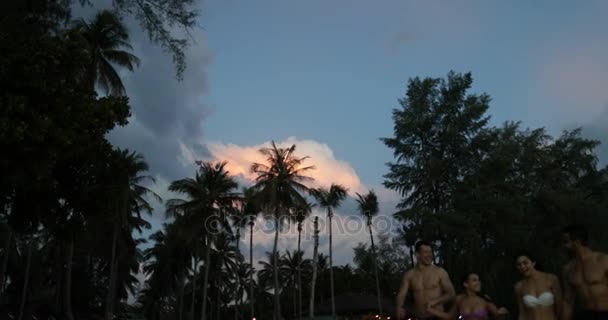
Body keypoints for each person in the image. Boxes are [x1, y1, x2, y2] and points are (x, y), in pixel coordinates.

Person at [396, 240, 456, 319]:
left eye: (430, 252)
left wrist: (434, 301)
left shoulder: (440, 272)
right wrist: (399, 308)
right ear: (417, 254)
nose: (429, 255)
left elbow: (451, 294)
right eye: (425, 252)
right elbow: (402, 294)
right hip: (420, 317)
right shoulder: (409, 275)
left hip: (437, 317)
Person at [561, 224, 608, 320]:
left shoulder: (603, 260)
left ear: (577, 242)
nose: (563, 245)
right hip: (587, 315)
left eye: (566, 242)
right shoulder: (568, 269)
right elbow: (568, 301)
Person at [426, 272, 508, 319]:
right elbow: (450, 316)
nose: (478, 282)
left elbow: (497, 315)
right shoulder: (459, 299)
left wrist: (502, 313)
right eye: (474, 280)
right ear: (466, 284)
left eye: (479, 280)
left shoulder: (484, 299)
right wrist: (431, 310)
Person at [513, 252, 562, 320]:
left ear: (533, 263)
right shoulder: (519, 287)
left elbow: (560, 307)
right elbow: (522, 314)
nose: (522, 267)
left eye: (525, 263)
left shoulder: (551, 279)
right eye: (519, 265)